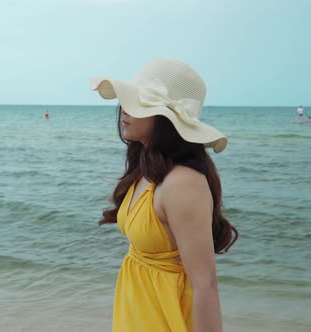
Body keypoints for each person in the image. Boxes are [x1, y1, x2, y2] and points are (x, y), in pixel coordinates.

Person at [90, 58, 238, 332]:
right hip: (138, 315)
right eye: (127, 100)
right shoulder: (146, 169)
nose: (124, 110)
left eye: (138, 104)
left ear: (167, 118)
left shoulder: (182, 182)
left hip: (165, 320)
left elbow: (205, 285)